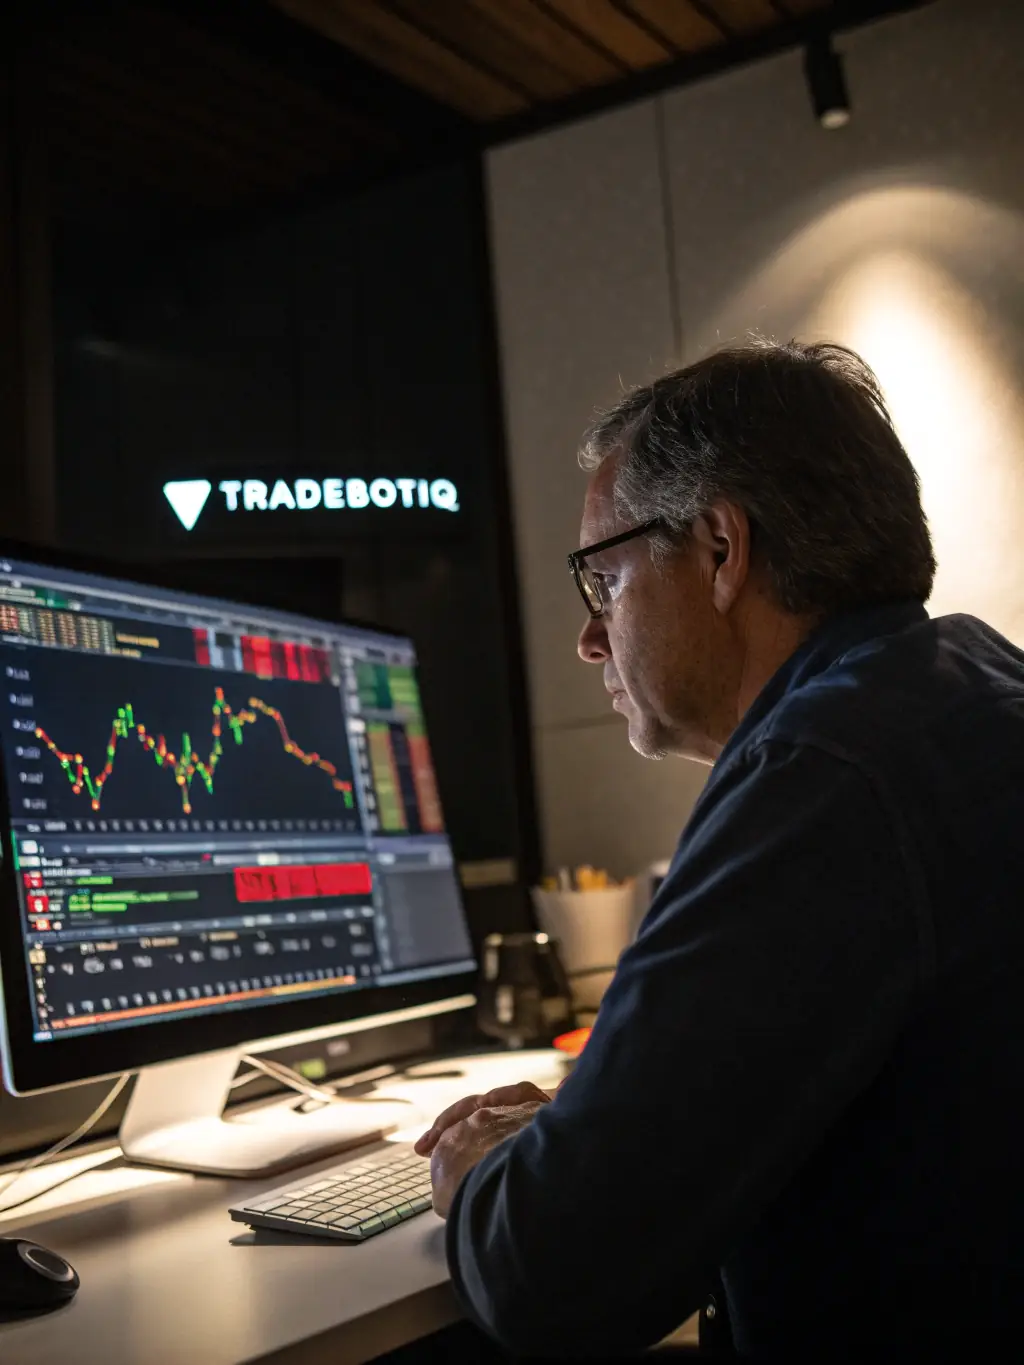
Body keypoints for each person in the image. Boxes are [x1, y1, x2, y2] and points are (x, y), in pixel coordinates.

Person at [413, 341, 1024, 1361]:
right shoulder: (962, 688)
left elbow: (550, 1272)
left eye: (603, 579)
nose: (587, 638)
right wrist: (598, 1129)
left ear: (719, 550)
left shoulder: (822, 775)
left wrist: (479, 1167)